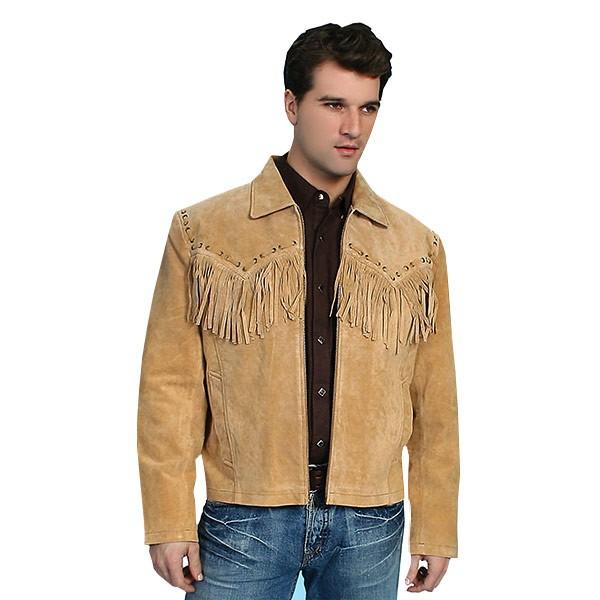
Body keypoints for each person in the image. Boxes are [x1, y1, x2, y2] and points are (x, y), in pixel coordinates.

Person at [137, 22, 460, 599]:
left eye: (368, 107)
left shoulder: (416, 247)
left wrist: (436, 525)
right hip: (244, 516)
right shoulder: (204, 232)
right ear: (291, 104)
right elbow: (171, 385)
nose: (352, 126)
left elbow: (434, 398)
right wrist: (167, 518)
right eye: (333, 104)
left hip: (371, 523)